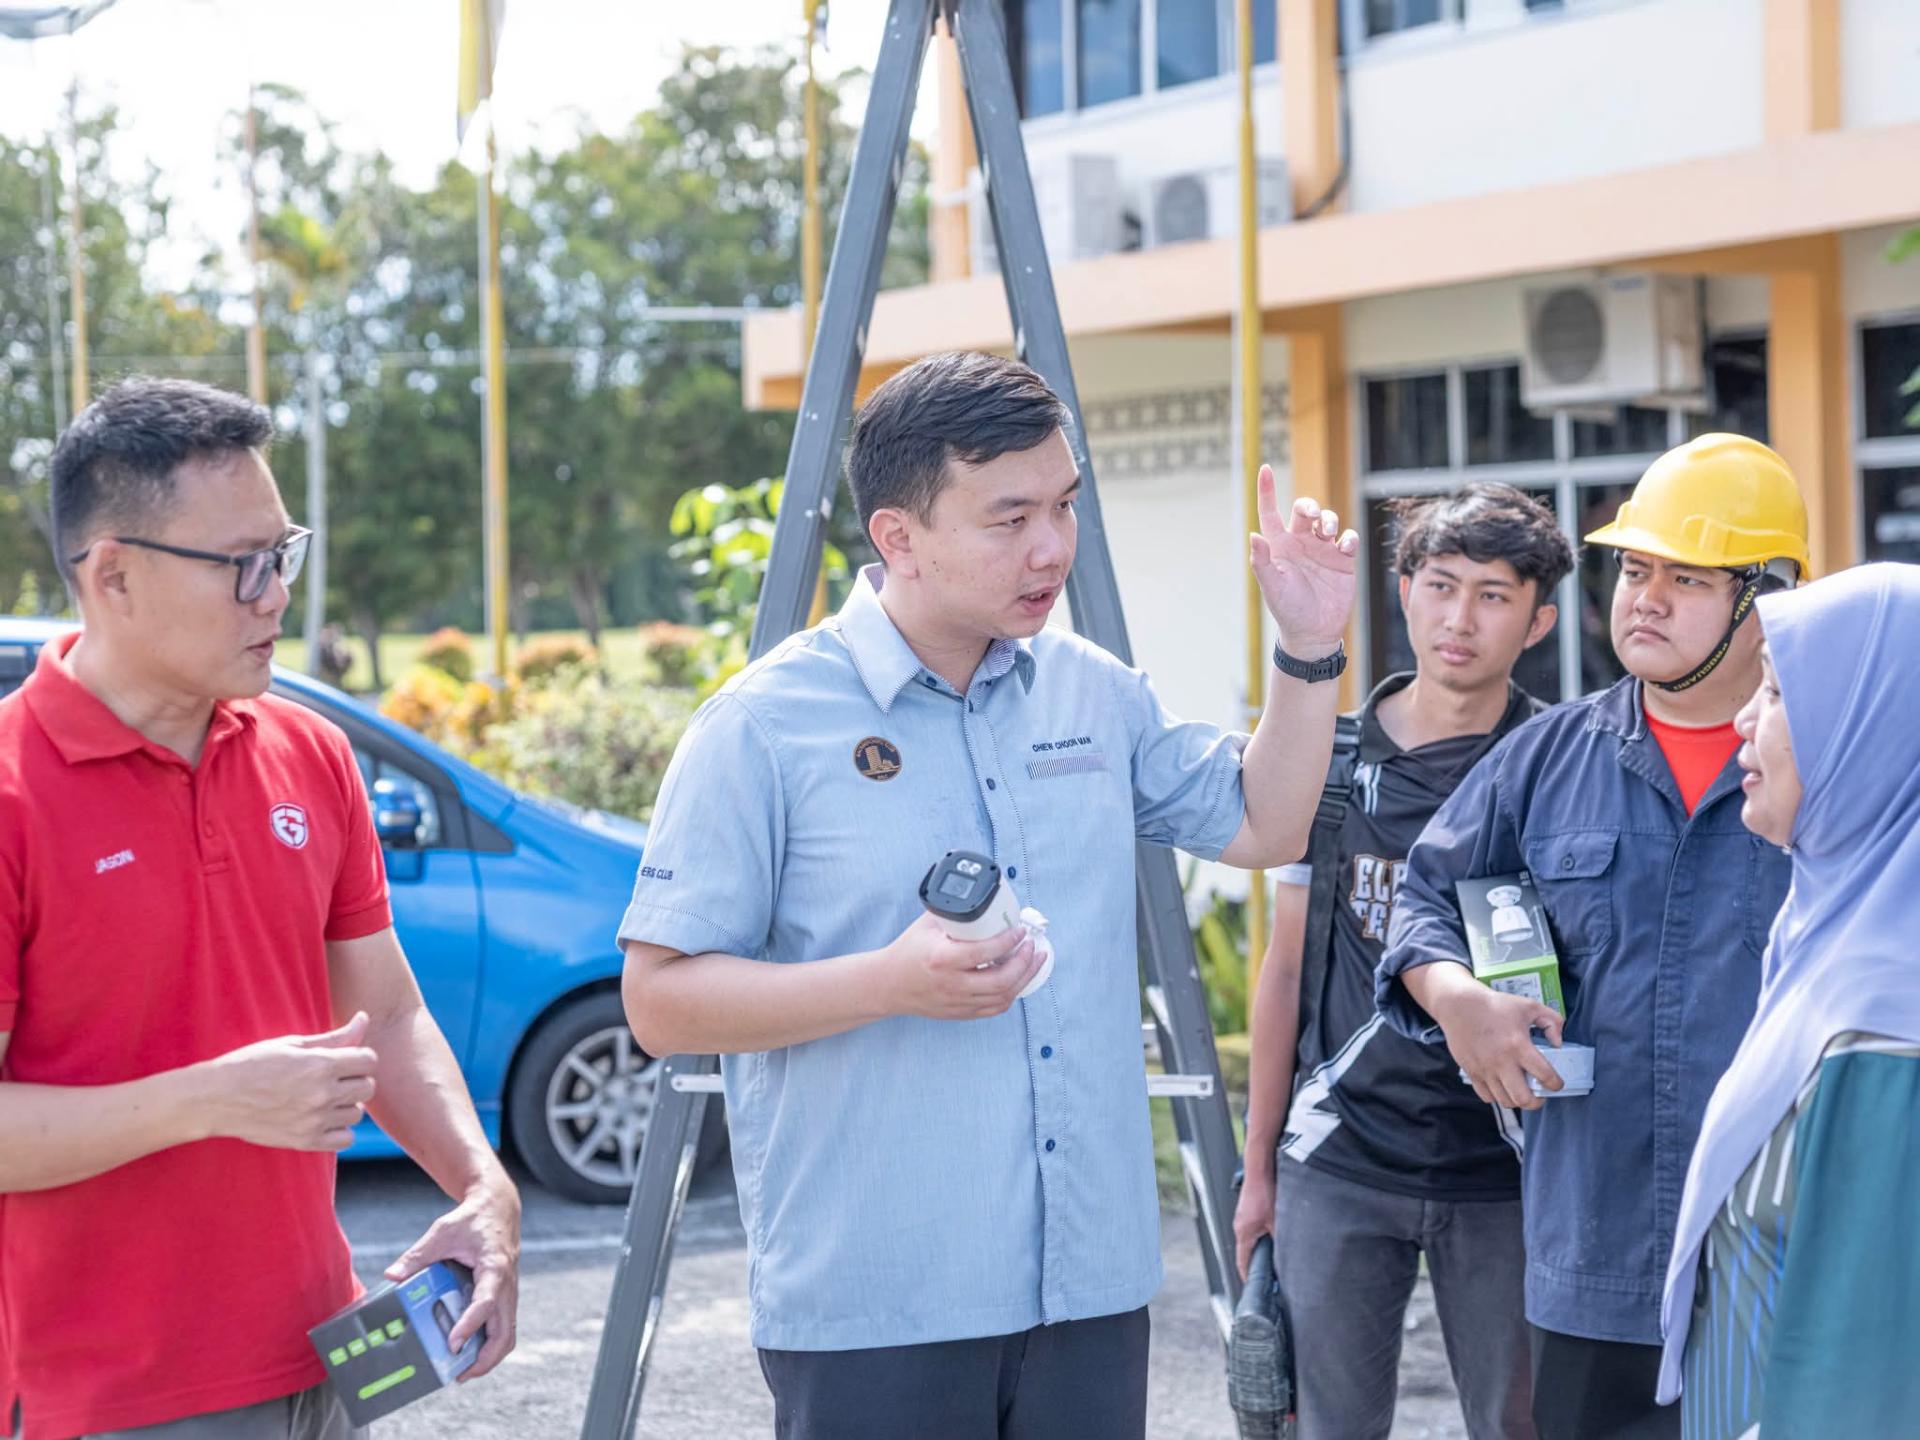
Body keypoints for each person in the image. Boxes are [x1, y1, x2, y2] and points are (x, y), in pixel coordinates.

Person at [617, 351, 1358, 1439]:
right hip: (877, 1305)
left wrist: (1310, 649)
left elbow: (1266, 822)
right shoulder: (763, 726)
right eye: (1008, 517)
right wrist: (888, 982)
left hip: (1087, 1288)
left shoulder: (1093, 693)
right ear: (898, 536)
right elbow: (661, 1000)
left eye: (1063, 505)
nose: (1051, 547)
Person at [0, 379, 520, 1440]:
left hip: (329, 1362)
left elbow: (389, 1011)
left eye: (284, 552)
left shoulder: (308, 749)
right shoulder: (12, 788)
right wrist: (210, 1099)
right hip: (107, 1400)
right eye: (243, 565)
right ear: (114, 576)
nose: (276, 595)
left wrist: (483, 1187)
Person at [1375, 434, 1809, 1439]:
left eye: (1686, 578)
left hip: (1774, 1249)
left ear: (1766, 599)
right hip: (1592, 1263)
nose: (1644, 599)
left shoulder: (1834, 769)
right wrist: (1458, 1000)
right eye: (1634, 568)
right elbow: (1426, 898)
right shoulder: (1545, 759)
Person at [1233, 484, 1574, 1440]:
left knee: (1522, 1425)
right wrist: (1257, 1169)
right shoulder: (1329, 761)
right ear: (1403, 591)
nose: (1459, 619)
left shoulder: (1560, 766)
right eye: (1440, 585)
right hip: (1340, 1160)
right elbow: (1286, 972)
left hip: (1507, 1172)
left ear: (1539, 619)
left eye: (1495, 596)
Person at [1655, 562, 1920, 1437]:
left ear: (1868, 733)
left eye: (1773, 691)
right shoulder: (1831, 934)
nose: (1741, 717)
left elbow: (1867, 1367)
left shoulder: (1888, 1020)